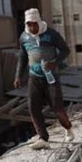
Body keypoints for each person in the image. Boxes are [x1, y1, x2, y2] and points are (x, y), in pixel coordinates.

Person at [13, 8, 73, 149]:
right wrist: (18, 76)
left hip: (51, 77)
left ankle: (68, 128)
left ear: (39, 22)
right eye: (29, 24)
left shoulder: (51, 34)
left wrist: (54, 63)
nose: (32, 27)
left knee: (57, 108)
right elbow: (22, 57)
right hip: (34, 77)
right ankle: (43, 138)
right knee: (33, 107)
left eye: (34, 24)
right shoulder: (24, 37)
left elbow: (65, 50)